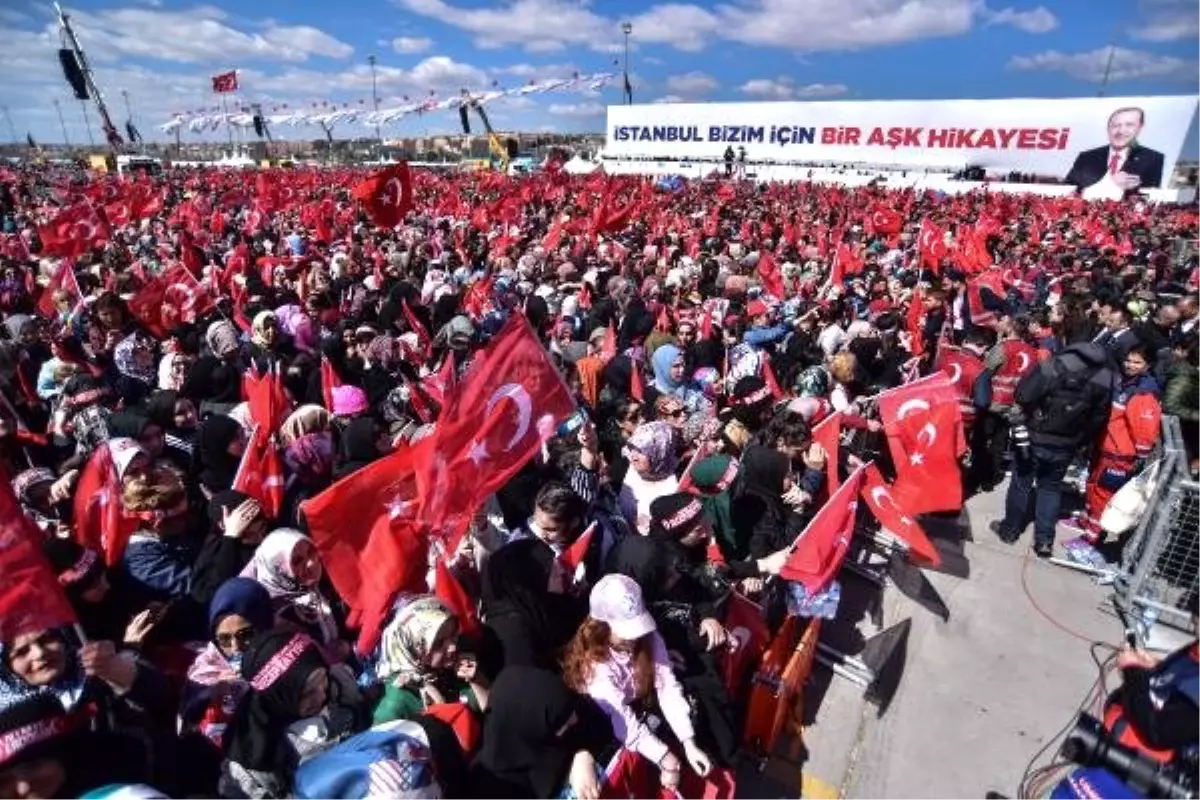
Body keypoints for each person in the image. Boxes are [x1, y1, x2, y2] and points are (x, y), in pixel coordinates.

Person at [563, 574, 713, 791]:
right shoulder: (596, 666)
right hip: (604, 725)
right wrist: (665, 758)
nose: (633, 639)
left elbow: (667, 686)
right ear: (602, 626)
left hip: (638, 710)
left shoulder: (648, 638)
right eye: (625, 632)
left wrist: (688, 742)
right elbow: (623, 720)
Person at [991, 337, 1116, 558]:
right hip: (1067, 442)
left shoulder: (1054, 365)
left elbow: (1023, 394)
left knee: (1021, 483)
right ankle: (1044, 541)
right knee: (1050, 488)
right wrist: (1081, 440)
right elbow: (1099, 418)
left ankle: (1010, 529)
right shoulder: (1105, 378)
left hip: (1035, 435)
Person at [221, 630, 368, 799]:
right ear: (278, 696)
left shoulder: (338, 683)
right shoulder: (250, 762)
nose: (321, 695)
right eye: (307, 694)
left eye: (322, 680)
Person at [469, 666, 615, 800]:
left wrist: (582, 754)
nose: (574, 720)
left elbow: (593, 723)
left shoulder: (556, 704)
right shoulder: (492, 785)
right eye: (560, 722)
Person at [183, 577, 276, 748]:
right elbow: (189, 723)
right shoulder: (205, 674)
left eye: (246, 635)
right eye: (224, 639)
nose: (236, 648)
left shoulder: (286, 649)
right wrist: (214, 694)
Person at [370, 595, 485, 725]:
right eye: (439, 643)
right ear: (412, 648)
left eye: (453, 636)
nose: (452, 647)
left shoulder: (449, 671)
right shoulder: (397, 703)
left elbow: (491, 714)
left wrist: (477, 680)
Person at [480, 537, 585, 676]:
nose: (560, 571)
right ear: (530, 580)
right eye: (551, 568)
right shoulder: (512, 635)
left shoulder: (543, 601)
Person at [1065, 106, 1165, 192]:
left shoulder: (1153, 159)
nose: (1121, 131)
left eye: (1129, 125)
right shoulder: (1086, 158)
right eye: (1115, 125)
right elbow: (1067, 193)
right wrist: (1110, 185)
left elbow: (1149, 200)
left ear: (1140, 128)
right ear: (1108, 128)